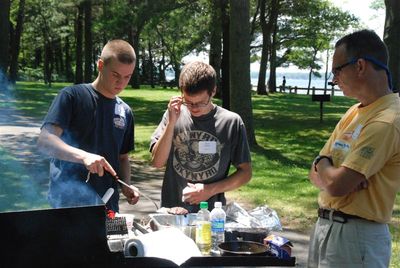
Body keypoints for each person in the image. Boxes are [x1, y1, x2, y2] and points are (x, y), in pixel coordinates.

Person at [308, 29, 400, 267]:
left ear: (360, 66)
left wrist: (327, 170)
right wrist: (324, 166)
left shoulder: (388, 120)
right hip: (326, 230)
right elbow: (317, 172)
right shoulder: (355, 112)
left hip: (356, 238)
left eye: (337, 70)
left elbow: (337, 186)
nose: (333, 79)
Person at [37, 39, 139, 212]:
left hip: (107, 203)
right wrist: (84, 156)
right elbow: (45, 141)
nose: (121, 83)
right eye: (115, 75)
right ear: (100, 65)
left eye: (127, 77)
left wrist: (126, 185)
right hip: (67, 201)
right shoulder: (72, 97)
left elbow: (122, 158)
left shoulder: (125, 112)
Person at [150, 61, 252, 213]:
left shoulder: (231, 122)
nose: (194, 108)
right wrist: (171, 123)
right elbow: (157, 162)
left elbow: (246, 173)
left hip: (211, 216)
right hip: (172, 211)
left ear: (213, 91)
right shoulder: (173, 115)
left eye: (201, 102)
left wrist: (209, 190)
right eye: (189, 102)